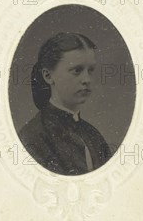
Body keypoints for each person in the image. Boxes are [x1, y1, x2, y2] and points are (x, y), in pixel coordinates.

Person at [18, 32, 112, 176]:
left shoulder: (93, 135)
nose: (87, 79)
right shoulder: (32, 138)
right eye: (77, 70)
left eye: (90, 70)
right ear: (48, 76)